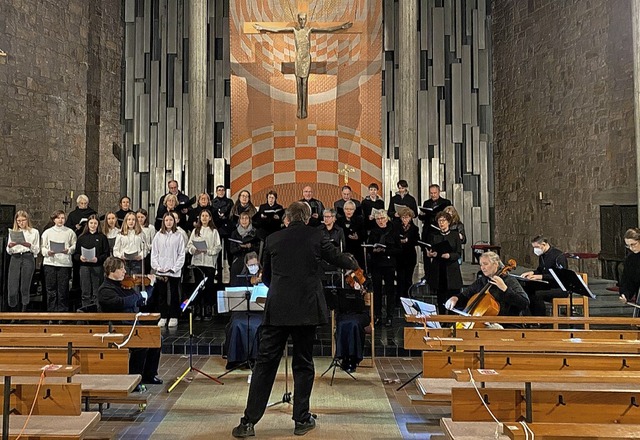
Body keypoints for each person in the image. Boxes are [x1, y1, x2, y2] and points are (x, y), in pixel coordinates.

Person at [232, 201, 358, 438]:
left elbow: (266, 277)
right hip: (306, 309)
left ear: (287, 219)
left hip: (277, 308)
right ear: (308, 218)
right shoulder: (317, 236)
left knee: (265, 364)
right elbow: (338, 259)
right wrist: (353, 264)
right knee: (303, 362)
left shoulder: (273, 239)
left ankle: (248, 422)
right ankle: (301, 419)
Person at [254, 13, 352, 119]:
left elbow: (328, 30)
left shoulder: (309, 30)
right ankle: (299, 109)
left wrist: (341, 27)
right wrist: (262, 28)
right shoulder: (294, 30)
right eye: (300, 19)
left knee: (304, 83)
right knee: (298, 83)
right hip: (298, 59)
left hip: (306, 59)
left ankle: (304, 109)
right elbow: (278, 30)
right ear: (297, 19)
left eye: (304, 19)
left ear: (306, 19)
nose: (302, 21)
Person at [98, 256, 162, 386]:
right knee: (140, 346)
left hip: (131, 326)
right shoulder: (106, 290)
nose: (124, 272)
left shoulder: (125, 286)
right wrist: (139, 295)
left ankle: (149, 374)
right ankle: (134, 379)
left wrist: (150, 286)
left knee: (157, 338)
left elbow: (140, 301)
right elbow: (121, 303)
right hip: (118, 328)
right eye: (121, 269)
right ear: (112, 270)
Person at [444, 251, 529, 319]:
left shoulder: (509, 280)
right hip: (485, 324)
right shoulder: (482, 280)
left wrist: (505, 289)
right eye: (481, 265)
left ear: (495, 264)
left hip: (506, 324)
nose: (482, 268)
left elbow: (524, 302)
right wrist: (455, 298)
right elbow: (466, 294)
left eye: (485, 264)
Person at [223, 252, 264, 369]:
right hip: (243, 310)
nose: (253, 267)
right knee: (236, 324)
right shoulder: (241, 278)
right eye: (250, 265)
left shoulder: (264, 277)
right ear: (246, 265)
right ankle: (235, 359)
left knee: (255, 325)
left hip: (258, 311)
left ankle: (254, 358)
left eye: (255, 264)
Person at [366, 209, 401, 327]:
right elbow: (369, 246)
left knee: (390, 290)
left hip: (389, 263)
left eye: (382, 218)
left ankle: (390, 316)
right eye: (378, 219)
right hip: (376, 263)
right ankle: (377, 315)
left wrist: (386, 250)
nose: (380, 221)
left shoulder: (393, 230)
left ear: (387, 218)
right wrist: (374, 249)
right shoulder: (374, 231)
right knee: (377, 290)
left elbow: (399, 249)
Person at [151, 213, 186, 328]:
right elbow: (154, 253)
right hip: (161, 270)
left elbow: (181, 254)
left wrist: (175, 268)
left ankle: (174, 316)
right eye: (166, 220)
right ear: (163, 222)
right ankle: (163, 316)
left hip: (174, 271)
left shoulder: (178, 235)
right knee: (162, 295)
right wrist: (157, 267)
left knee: (174, 294)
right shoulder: (158, 235)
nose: (169, 222)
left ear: (174, 221)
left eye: (171, 220)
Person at [187, 209, 222, 321]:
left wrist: (208, 251)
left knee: (209, 286)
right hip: (197, 262)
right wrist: (194, 250)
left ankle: (208, 309)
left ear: (210, 218)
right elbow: (189, 246)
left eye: (207, 216)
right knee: (198, 286)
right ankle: (197, 309)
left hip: (209, 262)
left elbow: (218, 247)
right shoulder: (195, 230)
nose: (204, 218)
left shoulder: (214, 231)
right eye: (202, 216)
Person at [520, 235, 569, 316]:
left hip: (560, 288)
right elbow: (540, 270)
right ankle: (530, 317)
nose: (535, 250)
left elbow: (560, 275)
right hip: (548, 284)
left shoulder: (559, 256)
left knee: (537, 294)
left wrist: (540, 276)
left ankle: (541, 320)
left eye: (537, 247)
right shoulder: (542, 255)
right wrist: (532, 273)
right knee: (527, 288)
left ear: (543, 244)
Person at [424, 211, 462, 315]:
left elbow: (458, 253)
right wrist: (430, 254)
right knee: (440, 299)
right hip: (439, 269)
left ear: (449, 222)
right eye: (439, 221)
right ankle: (441, 319)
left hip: (451, 270)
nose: (441, 223)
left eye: (443, 220)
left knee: (453, 299)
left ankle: (451, 321)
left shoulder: (455, 235)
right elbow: (431, 250)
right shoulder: (434, 236)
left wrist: (449, 256)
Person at [40, 210, 77, 312]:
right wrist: (48, 252)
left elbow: (74, 246)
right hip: (50, 263)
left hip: (64, 264)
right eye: (58, 218)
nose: (60, 220)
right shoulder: (47, 232)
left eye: (62, 218)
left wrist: (68, 250)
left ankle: (62, 313)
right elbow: (42, 247)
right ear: (54, 219)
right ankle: (51, 313)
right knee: (51, 290)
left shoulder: (70, 232)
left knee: (63, 290)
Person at [73, 215, 110, 309]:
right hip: (84, 267)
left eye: (95, 223)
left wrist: (98, 259)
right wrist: (80, 257)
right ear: (88, 224)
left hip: (97, 266)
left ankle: (97, 313)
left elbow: (106, 254)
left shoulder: (102, 237)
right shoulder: (81, 238)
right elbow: (76, 254)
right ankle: (85, 313)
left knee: (96, 292)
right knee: (85, 291)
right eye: (91, 223)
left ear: (98, 224)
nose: (93, 225)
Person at [6, 210, 40, 312]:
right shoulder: (13, 232)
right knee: (12, 286)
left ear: (27, 220)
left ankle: (23, 312)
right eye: (19, 220)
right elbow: (8, 251)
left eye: (23, 220)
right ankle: (13, 311)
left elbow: (37, 250)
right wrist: (10, 246)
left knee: (25, 286)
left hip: (27, 257)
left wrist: (29, 245)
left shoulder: (34, 232)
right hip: (15, 258)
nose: (21, 223)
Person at [229, 211, 261, 283]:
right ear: (239, 220)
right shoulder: (234, 233)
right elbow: (232, 250)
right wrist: (240, 247)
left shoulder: (255, 232)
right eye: (242, 218)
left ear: (250, 220)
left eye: (246, 218)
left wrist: (250, 246)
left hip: (251, 260)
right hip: (238, 260)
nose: (244, 220)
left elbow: (259, 248)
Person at [211, 185, 234, 282]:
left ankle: (231, 270)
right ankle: (219, 272)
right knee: (218, 251)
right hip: (217, 229)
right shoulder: (212, 202)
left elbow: (232, 214)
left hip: (228, 229)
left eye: (222, 190)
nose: (221, 191)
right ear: (216, 191)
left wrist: (225, 217)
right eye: (219, 190)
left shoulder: (230, 202)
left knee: (229, 251)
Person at [396, 208, 419, 300]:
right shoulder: (396, 227)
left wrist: (408, 240)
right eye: (403, 217)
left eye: (407, 217)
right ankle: (399, 297)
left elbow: (417, 240)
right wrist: (399, 240)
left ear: (410, 218)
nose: (405, 219)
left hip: (410, 255)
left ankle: (408, 296)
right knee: (400, 277)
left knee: (408, 278)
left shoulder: (414, 228)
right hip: (399, 255)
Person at [336, 200, 366, 269]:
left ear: (354, 210)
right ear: (343, 210)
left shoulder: (360, 220)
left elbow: (364, 235)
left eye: (351, 209)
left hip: (356, 248)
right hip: (344, 248)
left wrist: (358, 237)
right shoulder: (339, 221)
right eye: (346, 209)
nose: (348, 211)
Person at [619, 228, 640, 311]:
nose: (631, 248)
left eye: (633, 244)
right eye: (628, 245)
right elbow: (627, 281)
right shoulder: (630, 259)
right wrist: (625, 294)